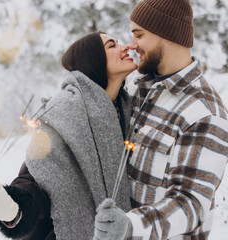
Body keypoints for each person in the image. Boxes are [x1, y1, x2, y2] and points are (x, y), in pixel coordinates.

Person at [0, 31, 138, 240]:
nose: (125, 47)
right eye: (112, 45)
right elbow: (39, 174)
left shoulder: (129, 108)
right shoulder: (66, 112)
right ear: (94, 59)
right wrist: (14, 209)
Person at [93, 0, 228, 239]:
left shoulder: (204, 112)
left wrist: (130, 226)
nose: (132, 45)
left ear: (169, 35)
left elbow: (190, 202)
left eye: (139, 35)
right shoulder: (140, 91)